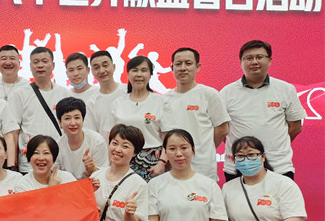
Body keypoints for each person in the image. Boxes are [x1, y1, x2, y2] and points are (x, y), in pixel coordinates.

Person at [220, 40, 305, 181]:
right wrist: (239, 147)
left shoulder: (285, 89)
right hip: (238, 167)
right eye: (248, 58)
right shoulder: (227, 92)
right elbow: (222, 130)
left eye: (259, 57)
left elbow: (295, 127)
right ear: (241, 62)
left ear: (270, 60)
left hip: (278, 167)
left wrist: (276, 144)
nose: (254, 62)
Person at [164, 48, 229, 181]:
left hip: (203, 168)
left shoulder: (209, 94)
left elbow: (222, 129)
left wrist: (204, 148)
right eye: (178, 64)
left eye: (188, 63)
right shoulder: (164, 99)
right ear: (172, 68)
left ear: (197, 67)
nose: (183, 68)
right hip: (173, 168)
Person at [109, 56, 174, 182]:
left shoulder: (161, 101)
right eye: (135, 70)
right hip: (122, 160)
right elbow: (110, 136)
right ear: (128, 74)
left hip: (153, 164)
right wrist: (112, 161)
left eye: (144, 70)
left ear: (150, 75)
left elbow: (169, 137)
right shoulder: (118, 103)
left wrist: (162, 162)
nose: (139, 74)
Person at [8, 47, 70, 173]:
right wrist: (13, 163)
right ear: (30, 67)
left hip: (59, 161)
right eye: (36, 62)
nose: (40, 65)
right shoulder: (20, 93)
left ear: (53, 65)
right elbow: (14, 132)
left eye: (45, 61)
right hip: (29, 163)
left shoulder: (64, 93)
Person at [55, 97, 107, 179]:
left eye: (77, 118)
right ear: (60, 122)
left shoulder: (97, 142)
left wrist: (92, 170)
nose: (73, 123)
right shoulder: (57, 145)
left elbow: (103, 176)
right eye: (67, 118)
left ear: (83, 120)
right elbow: (55, 174)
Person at [84, 50, 127, 138]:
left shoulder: (128, 91)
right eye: (96, 68)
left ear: (113, 67)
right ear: (92, 71)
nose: (101, 71)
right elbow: (92, 134)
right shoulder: (91, 103)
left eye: (105, 65)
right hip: (106, 146)